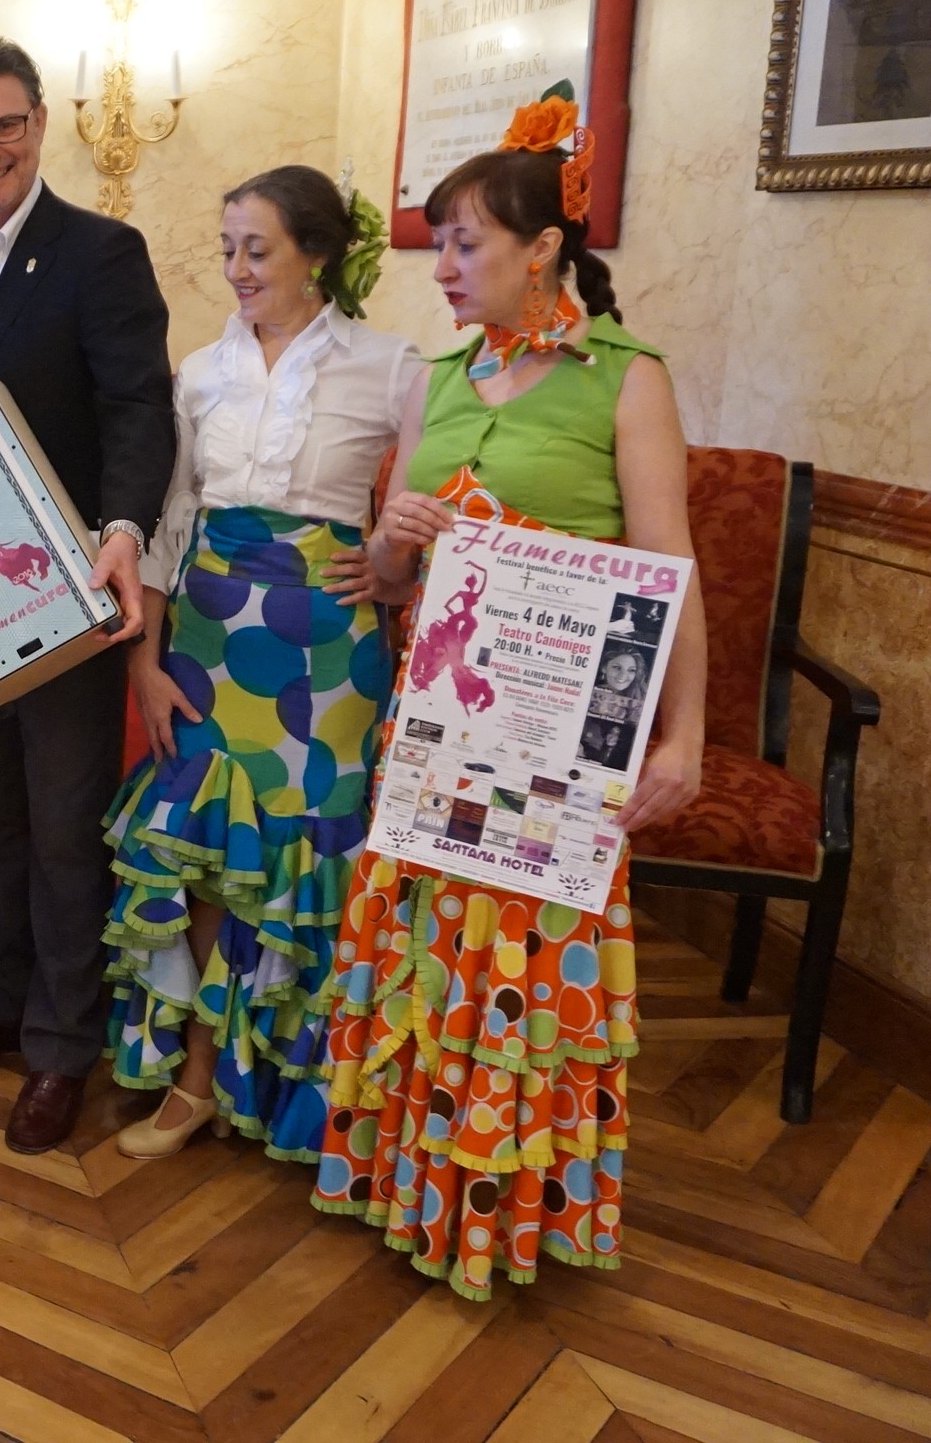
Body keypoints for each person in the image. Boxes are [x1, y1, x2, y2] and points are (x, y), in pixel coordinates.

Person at [312, 91, 705, 1300]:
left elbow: (672, 576)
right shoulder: (438, 380)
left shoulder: (627, 381)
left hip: (559, 745)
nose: (444, 268)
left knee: (527, 970)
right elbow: (384, 579)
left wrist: (685, 738)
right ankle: (411, 1188)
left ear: (545, 251)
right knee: (432, 961)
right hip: (437, 732)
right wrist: (392, 539)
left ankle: (505, 1216)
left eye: (466, 243)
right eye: (440, 244)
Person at [0, 38, 176, 1155]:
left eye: (4, 125)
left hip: (68, 589)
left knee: (64, 828)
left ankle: (63, 1045)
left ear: (43, 122)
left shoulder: (102, 252)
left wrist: (122, 535)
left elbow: (140, 409)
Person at [103, 166, 420, 1162]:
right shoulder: (198, 371)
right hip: (204, 644)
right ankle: (197, 1080)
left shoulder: (397, 367)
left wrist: (387, 567)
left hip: (328, 668)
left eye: (259, 249)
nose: (236, 268)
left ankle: (289, 1087)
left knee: (298, 871)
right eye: (229, 246)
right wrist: (144, 664)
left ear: (316, 254)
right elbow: (166, 530)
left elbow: (412, 541)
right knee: (202, 865)